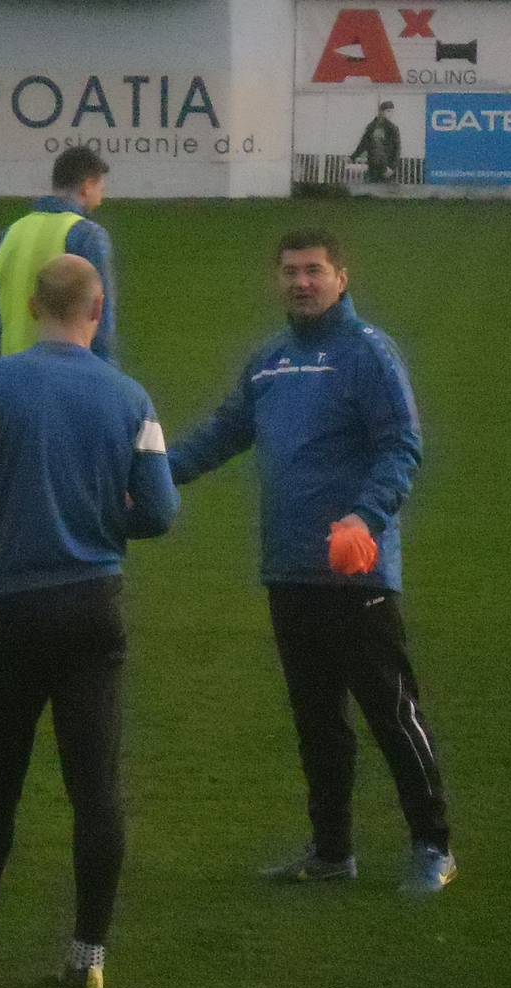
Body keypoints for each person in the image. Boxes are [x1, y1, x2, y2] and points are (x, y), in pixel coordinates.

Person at [0, 254, 179, 988]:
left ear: (34, 307)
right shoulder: (131, 396)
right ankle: (88, 955)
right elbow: (161, 511)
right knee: (95, 788)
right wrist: (104, 519)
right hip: (93, 606)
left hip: (11, 606)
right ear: (97, 311)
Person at [166, 228, 456, 893]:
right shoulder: (268, 361)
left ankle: (433, 844)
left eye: (314, 271)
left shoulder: (368, 354)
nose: (302, 282)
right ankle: (331, 850)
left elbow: (402, 446)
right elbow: (224, 432)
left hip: (356, 572)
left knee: (391, 711)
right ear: (278, 280)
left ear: (340, 277)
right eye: (291, 271)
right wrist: (157, 471)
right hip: (289, 568)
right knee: (317, 720)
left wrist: (365, 516)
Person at [0, 146, 118, 639]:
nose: (101, 198)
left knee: (3, 487)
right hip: (66, 383)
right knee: (58, 494)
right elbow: (100, 321)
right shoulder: (87, 236)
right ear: (86, 184)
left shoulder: (10, 234)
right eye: (100, 188)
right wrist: (108, 391)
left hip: (5, 384)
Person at [351, 101, 400, 183]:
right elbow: (364, 143)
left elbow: (397, 149)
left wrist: (392, 167)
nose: (390, 114)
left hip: (386, 166)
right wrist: (353, 157)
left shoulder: (392, 129)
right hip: (373, 165)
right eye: (388, 111)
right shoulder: (372, 127)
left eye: (392, 112)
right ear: (381, 112)